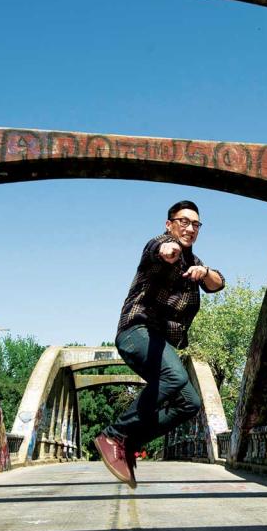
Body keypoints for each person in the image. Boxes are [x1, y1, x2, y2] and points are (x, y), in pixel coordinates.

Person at [94, 200, 225, 487]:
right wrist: (168, 250)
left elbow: (218, 284)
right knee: (174, 375)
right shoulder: (161, 244)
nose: (189, 228)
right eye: (183, 221)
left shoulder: (195, 264)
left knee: (189, 402)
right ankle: (113, 434)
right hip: (136, 331)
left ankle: (129, 441)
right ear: (169, 224)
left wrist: (204, 272)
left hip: (160, 345)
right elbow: (158, 250)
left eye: (195, 224)